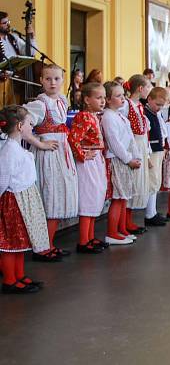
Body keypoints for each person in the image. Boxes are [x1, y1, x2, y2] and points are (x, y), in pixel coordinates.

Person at [23, 65, 79, 262]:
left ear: (63, 81)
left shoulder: (61, 100)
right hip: (48, 156)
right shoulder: (41, 103)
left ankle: (49, 244)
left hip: (61, 154)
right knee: (50, 198)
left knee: (57, 197)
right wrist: (40, 143)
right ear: (41, 80)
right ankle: (42, 248)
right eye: (48, 79)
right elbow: (23, 127)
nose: (52, 82)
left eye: (56, 79)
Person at [0, 105, 50, 294]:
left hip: (23, 198)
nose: (32, 126)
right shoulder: (9, 151)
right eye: (30, 123)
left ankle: (19, 275)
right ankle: (10, 280)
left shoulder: (16, 148)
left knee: (20, 241)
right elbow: (3, 179)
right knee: (11, 243)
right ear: (20, 126)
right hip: (13, 201)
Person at [67, 82, 109, 253]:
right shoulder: (84, 116)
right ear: (86, 99)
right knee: (88, 198)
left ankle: (90, 237)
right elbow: (73, 139)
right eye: (98, 98)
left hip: (95, 159)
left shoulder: (94, 116)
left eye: (104, 98)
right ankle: (83, 240)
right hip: (87, 162)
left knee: (95, 197)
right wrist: (82, 155)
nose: (103, 101)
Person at [101, 81, 141, 245]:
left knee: (124, 197)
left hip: (126, 159)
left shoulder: (119, 115)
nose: (123, 98)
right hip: (118, 160)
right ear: (108, 100)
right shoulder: (108, 117)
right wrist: (128, 159)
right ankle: (112, 232)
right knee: (118, 198)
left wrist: (136, 155)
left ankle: (122, 229)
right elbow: (114, 142)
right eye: (118, 96)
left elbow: (130, 137)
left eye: (123, 95)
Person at [122, 74, 152, 235]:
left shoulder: (139, 105)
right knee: (131, 183)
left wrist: (147, 153)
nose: (149, 90)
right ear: (140, 88)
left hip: (140, 144)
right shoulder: (126, 105)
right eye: (148, 87)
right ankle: (125, 221)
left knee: (138, 182)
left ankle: (129, 220)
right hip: (132, 144)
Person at [142, 86, 169, 226]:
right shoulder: (146, 113)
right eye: (157, 104)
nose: (159, 108)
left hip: (158, 150)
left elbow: (162, 131)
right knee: (152, 182)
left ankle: (153, 211)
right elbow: (145, 136)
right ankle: (149, 214)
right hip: (151, 151)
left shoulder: (156, 114)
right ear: (149, 99)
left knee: (156, 181)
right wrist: (146, 156)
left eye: (162, 105)